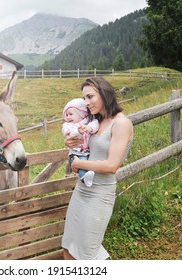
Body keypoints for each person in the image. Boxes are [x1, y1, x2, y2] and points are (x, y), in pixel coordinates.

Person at [61, 76, 134, 260]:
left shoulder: (121, 123)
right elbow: (85, 149)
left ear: (104, 93)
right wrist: (72, 144)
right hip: (81, 191)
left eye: (90, 97)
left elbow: (111, 165)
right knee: (68, 247)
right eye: (84, 98)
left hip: (99, 195)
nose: (86, 102)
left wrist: (78, 164)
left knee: (87, 255)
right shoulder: (96, 123)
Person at [62, 98, 99, 187]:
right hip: (76, 153)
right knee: (82, 163)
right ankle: (84, 178)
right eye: (66, 115)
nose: (68, 117)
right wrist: (78, 132)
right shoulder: (68, 125)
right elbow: (68, 133)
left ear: (81, 114)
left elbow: (95, 124)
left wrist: (89, 128)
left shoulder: (88, 121)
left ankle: (87, 176)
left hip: (87, 152)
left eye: (71, 114)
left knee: (85, 162)